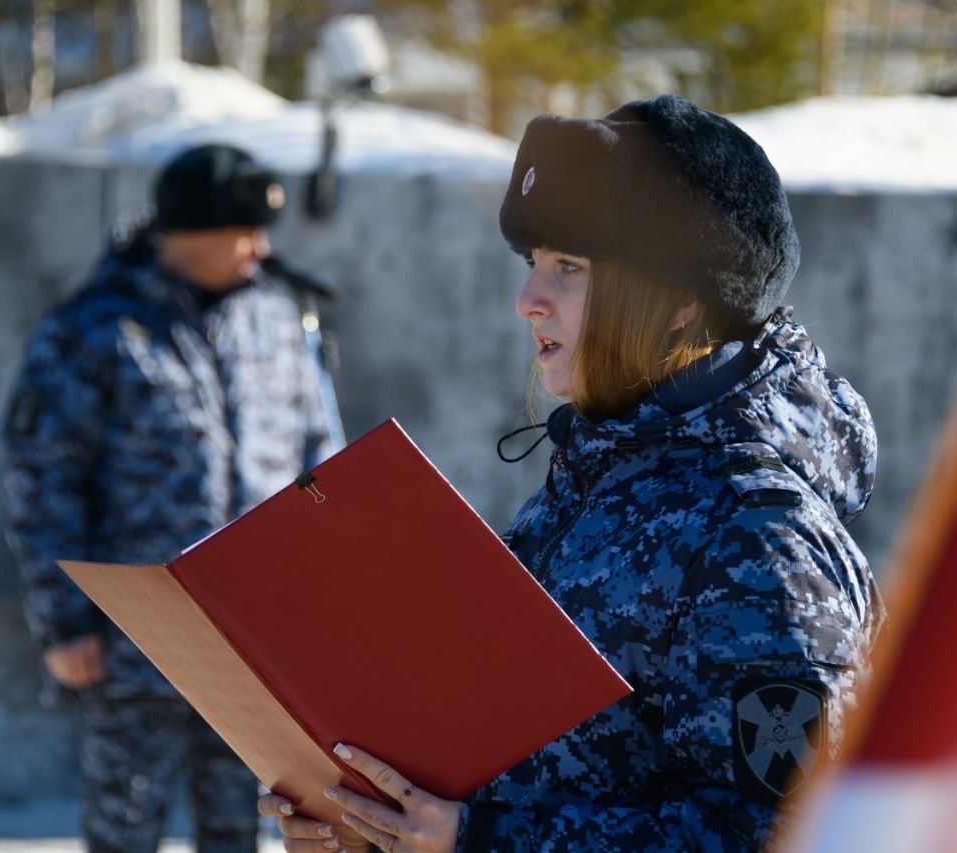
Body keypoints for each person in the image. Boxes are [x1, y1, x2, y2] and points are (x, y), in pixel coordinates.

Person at [260, 95, 884, 851]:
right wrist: (371, 813)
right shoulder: (593, 481)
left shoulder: (758, 537)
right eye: (533, 264)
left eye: (569, 268)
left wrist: (478, 838)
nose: (528, 300)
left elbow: (783, 832)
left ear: (682, 302)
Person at [2, 143, 343, 853]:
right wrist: (62, 624)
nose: (259, 248)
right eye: (241, 232)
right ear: (185, 233)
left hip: (255, 651)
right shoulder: (93, 329)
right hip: (134, 646)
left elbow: (323, 462)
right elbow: (43, 480)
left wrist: (321, 611)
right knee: (123, 833)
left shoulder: (280, 320)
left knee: (241, 835)